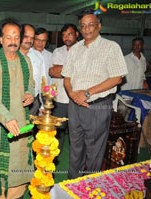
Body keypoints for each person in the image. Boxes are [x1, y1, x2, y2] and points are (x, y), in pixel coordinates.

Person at [62, 9, 127, 179]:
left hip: (97, 106)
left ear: (99, 26)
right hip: (74, 105)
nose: (87, 29)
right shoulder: (75, 49)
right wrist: (73, 94)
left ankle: (90, 186)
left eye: (91, 25)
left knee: (94, 150)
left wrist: (87, 93)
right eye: (83, 26)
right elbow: (67, 77)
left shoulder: (111, 47)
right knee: (75, 147)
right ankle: (73, 184)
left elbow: (117, 78)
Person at [0, 18, 35, 199]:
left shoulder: (26, 61)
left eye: (16, 37)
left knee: (21, 158)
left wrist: (30, 93)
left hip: (22, 120)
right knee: (1, 161)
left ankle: (17, 193)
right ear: (1, 39)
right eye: (8, 37)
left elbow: (31, 83)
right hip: (1, 124)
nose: (13, 41)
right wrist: (7, 118)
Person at [49, 24, 79, 152]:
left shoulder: (84, 50)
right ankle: (54, 158)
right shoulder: (58, 51)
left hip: (78, 99)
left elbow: (59, 70)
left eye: (70, 34)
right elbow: (53, 72)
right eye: (64, 35)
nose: (66, 37)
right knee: (58, 132)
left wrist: (63, 69)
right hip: (60, 98)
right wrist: (76, 69)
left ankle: (77, 159)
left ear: (77, 34)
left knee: (76, 132)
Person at [19, 23, 45, 116]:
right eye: (26, 36)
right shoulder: (11, 55)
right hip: (16, 102)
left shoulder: (38, 56)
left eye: (32, 38)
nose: (29, 40)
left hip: (34, 102)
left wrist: (43, 105)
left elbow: (43, 81)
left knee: (30, 129)